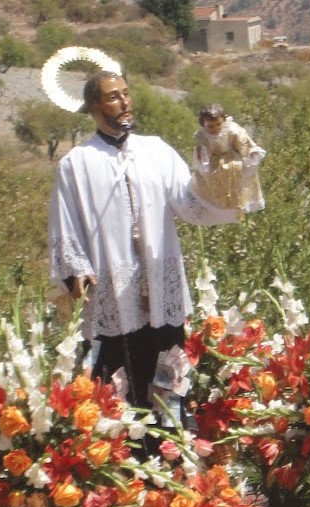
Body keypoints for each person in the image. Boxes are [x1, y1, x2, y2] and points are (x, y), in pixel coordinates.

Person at [48, 71, 241, 410]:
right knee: (117, 383)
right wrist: (75, 271)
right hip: (111, 291)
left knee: (169, 377)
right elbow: (64, 227)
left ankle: (171, 446)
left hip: (159, 282)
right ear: (94, 107)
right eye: (113, 97)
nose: (124, 103)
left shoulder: (157, 151)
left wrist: (219, 177)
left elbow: (191, 203)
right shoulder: (75, 165)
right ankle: (128, 454)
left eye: (126, 93)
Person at [192, 105, 265, 215]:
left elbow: (243, 142)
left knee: (236, 173)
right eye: (210, 126)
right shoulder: (202, 136)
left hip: (231, 159)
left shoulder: (231, 130)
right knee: (210, 179)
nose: (215, 128)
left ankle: (237, 204)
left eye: (218, 124)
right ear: (204, 124)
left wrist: (251, 153)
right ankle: (216, 207)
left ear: (223, 120)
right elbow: (202, 152)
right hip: (213, 161)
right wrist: (203, 164)